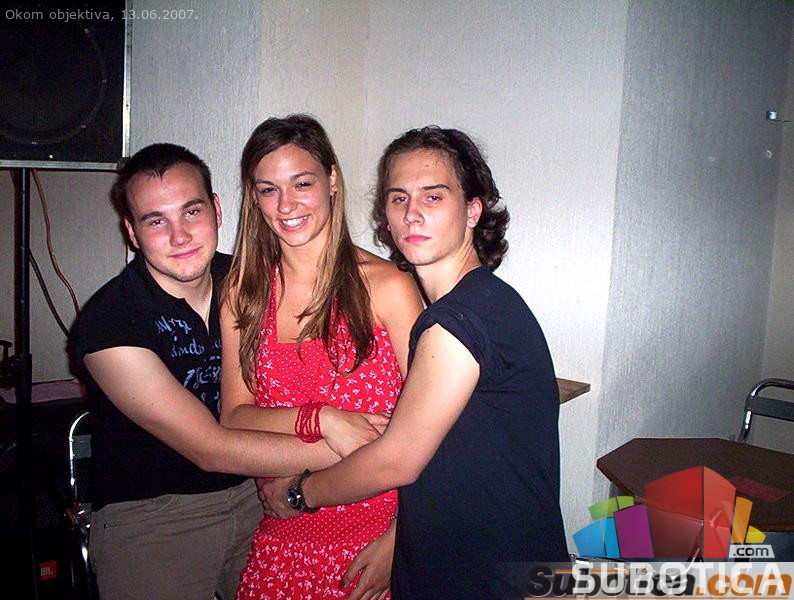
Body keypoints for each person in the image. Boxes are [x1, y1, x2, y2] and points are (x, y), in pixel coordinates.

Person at [259, 126, 569, 600]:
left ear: (473, 211)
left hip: (490, 575)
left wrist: (300, 493)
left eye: (433, 196)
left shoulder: (461, 320)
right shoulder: (479, 303)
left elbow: (396, 461)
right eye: (398, 198)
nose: (412, 213)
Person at [69, 143, 377, 600]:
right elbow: (210, 449)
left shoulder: (255, 281)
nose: (180, 236)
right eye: (156, 221)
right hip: (156, 518)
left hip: (262, 494)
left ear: (216, 209)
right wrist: (373, 449)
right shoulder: (108, 323)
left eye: (191, 211)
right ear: (132, 232)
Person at [219, 114, 423, 600]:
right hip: (284, 537)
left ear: (332, 180)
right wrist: (322, 418)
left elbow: (434, 432)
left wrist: (402, 538)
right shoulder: (243, 294)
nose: (286, 205)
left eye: (302, 183)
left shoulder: (387, 287)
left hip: (377, 538)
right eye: (268, 190)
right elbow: (234, 415)